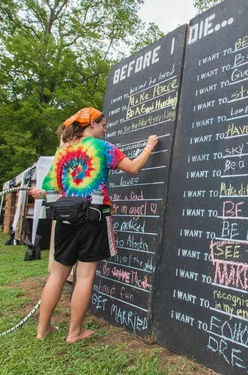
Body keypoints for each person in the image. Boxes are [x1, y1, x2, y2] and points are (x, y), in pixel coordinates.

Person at [28, 106, 158, 343]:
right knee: (85, 275)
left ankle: (42, 329)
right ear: (91, 124)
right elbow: (134, 168)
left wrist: (40, 193)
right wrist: (149, 145)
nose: (105, 129)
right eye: (103, 124)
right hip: (94, 216)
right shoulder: (104, 148)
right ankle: (74, 332)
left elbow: (48, 190)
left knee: (57, 274)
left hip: (66, 218)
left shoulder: (63, 152)